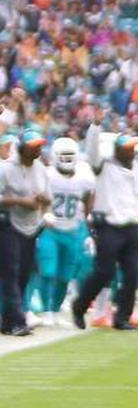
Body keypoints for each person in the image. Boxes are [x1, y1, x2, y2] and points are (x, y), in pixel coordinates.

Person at [70, 127, 138, 331]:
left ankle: (122, 318)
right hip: (109, 227)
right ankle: (79, 306)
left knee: (131, 273)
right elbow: (92, 152)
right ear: (117, 151)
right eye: (126, 149)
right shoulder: (104, 166)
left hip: (132, 227)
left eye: (132, 149)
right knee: (104, 272)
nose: (130, 152)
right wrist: (95, 127)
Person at [36, 137, 94, 327]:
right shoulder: (47, 175)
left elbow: (89, 197)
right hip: (50, 230)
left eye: (70, 155)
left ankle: (55, 310)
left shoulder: (83, 178)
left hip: (72, 231)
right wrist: (43, 214)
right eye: (64, 155)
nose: (67, 159)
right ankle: (47, 311)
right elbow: (37, 196)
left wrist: (87, 221)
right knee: (48, 272)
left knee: (64, 277)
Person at [0, 129, 50, 336]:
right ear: (21, 148)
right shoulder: (5, 169)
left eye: (39, 146)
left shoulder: (41, 169)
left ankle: (8, 320)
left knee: (23, 274)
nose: (38, 149)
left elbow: (48, 197)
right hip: (8, 224)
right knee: (11, 273)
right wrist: (21, 201)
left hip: (31, 227)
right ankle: (18, 321)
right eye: (33, 146)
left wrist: (43, 200)